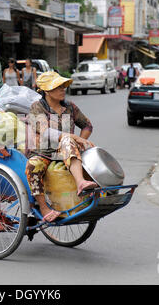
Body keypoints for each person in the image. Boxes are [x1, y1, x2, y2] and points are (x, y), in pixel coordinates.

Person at [25, 71, 97, 222]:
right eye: (58, 87)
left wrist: (80, 141)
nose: (63, 89)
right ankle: (44, 208)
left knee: (70, 144)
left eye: (63, 86)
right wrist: (73, 137)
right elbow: (45, 132)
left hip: (67, 151)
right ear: (46, 91)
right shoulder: (36, 108)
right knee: (32, 166)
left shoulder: (70, 107)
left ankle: (81, 184)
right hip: (42, 153)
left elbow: (87, 125)